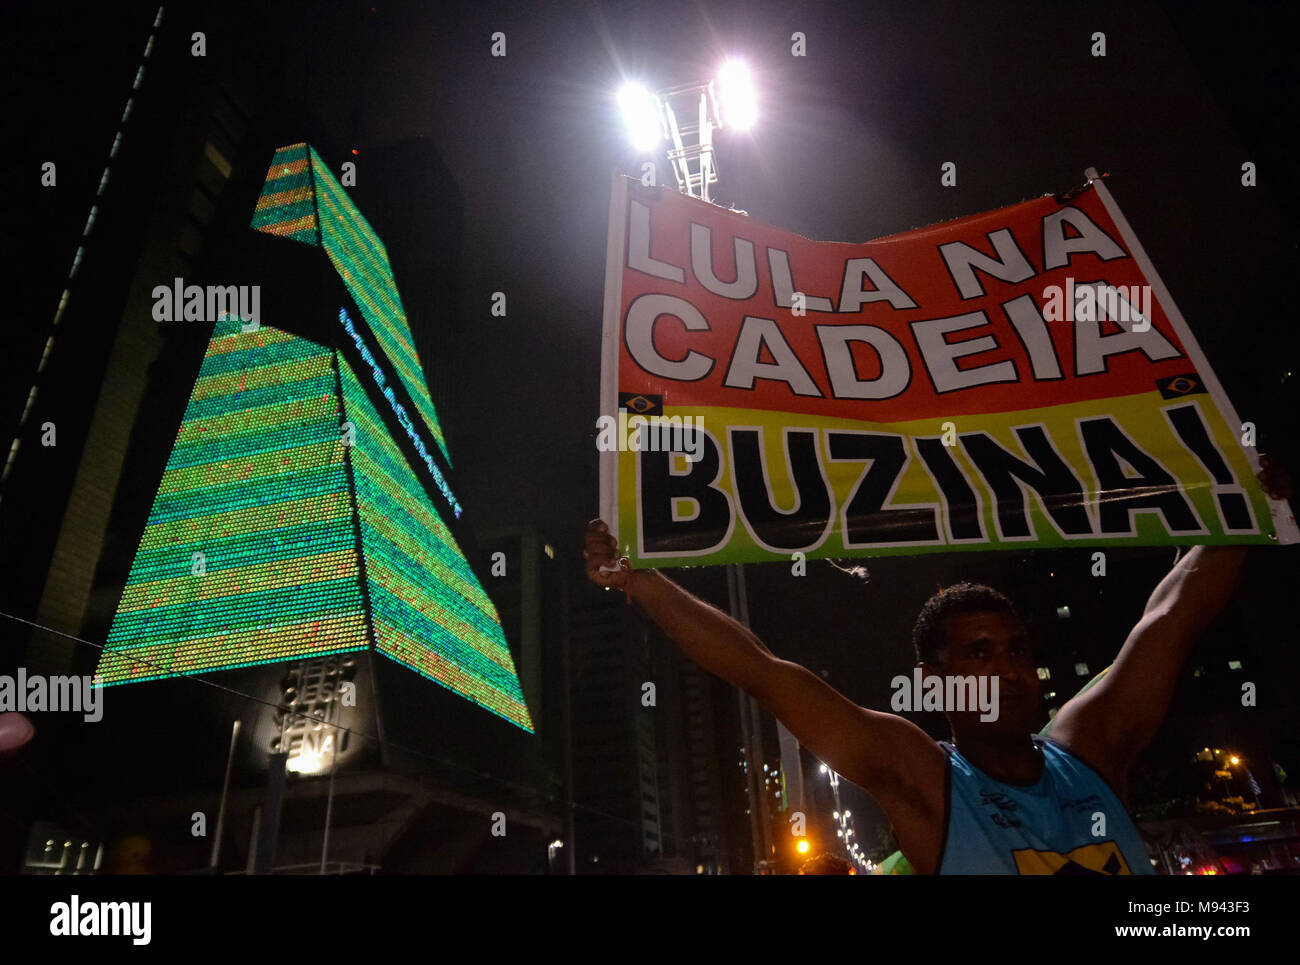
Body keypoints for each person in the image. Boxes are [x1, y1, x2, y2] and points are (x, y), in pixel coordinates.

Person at [583, 456, 1293, 875]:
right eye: (980, 653)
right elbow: (762, 670)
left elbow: (1169, 618)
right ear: (935, 680)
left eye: (1017, 648)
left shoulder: (1091, 749)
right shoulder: (924, 779)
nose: (1010, 668)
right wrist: (641, 579)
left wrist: (1245, 507)